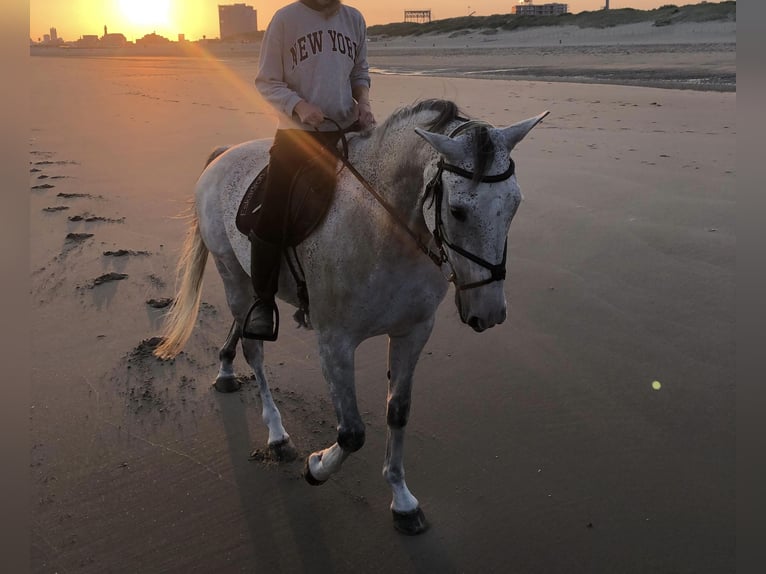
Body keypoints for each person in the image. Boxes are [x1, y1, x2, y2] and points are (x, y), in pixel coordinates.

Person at [245, 0, 376, 340]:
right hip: (297, 136)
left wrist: (364, 104)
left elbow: (359, 72)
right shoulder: (285, 20)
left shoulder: (354, 19)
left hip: (346, 132)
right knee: (273, 211)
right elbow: (266, 81)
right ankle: (262, 302)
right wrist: (299, 106)